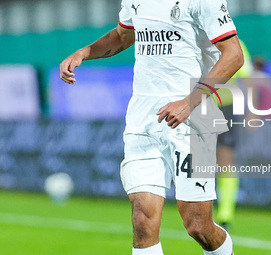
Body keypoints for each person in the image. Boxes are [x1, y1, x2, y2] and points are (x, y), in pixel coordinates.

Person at [60, 1, 243, 254]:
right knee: (143, 221)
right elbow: (123, 36)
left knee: (198, 226)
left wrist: (188, 102)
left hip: (193, 122)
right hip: (143, 121)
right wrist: (84, 52)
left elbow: (234, 54)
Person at [215, 40, 253, 230]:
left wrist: (252, 110)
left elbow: (247, 76)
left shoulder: (234, 42)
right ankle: (196, 208)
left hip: (226, 107)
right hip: (197, 105)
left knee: (225, 160)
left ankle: (225, 214)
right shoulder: (195, 39)